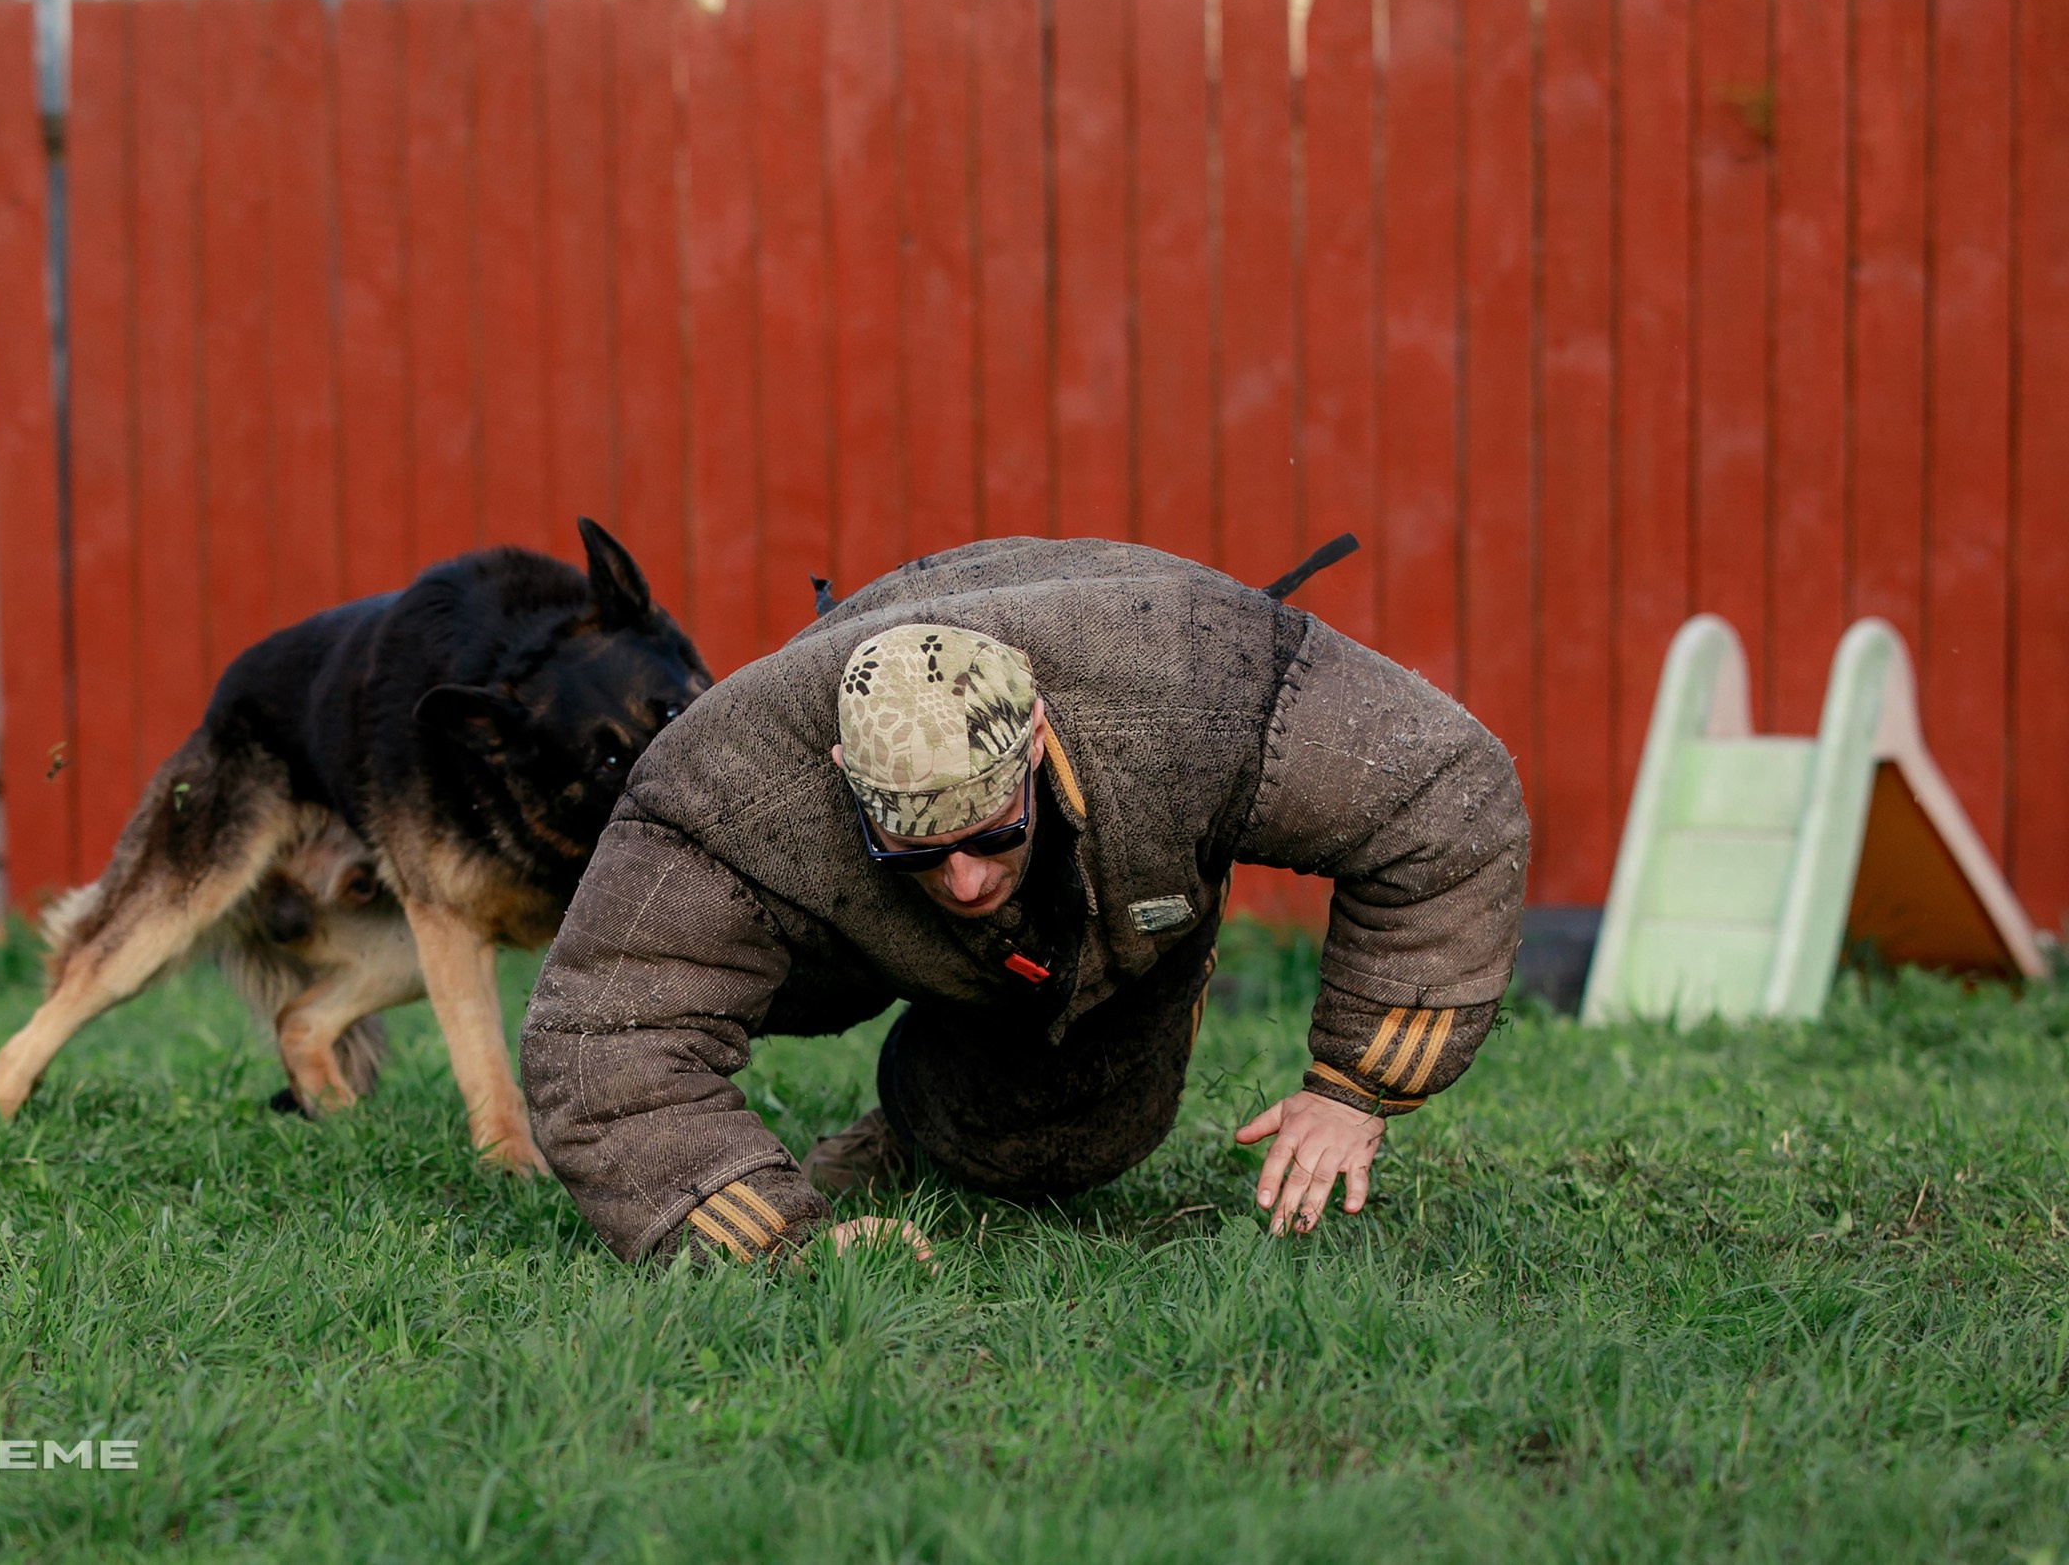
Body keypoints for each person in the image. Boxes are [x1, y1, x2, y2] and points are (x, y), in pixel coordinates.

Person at [519, 537, 1527, 1264]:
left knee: (1066, 1141)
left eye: (991, 835)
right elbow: (600, 1041)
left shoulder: (1205, 683)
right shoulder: (728, 787)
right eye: (921, 848)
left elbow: (1450, 800)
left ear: (1037, 738)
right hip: (836, 929)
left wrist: (1354, 1087)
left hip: (1120, 895)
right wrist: (780, 1241)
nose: (964, 879)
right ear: (840, 770)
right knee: (684, 976)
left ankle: (915, 1125)